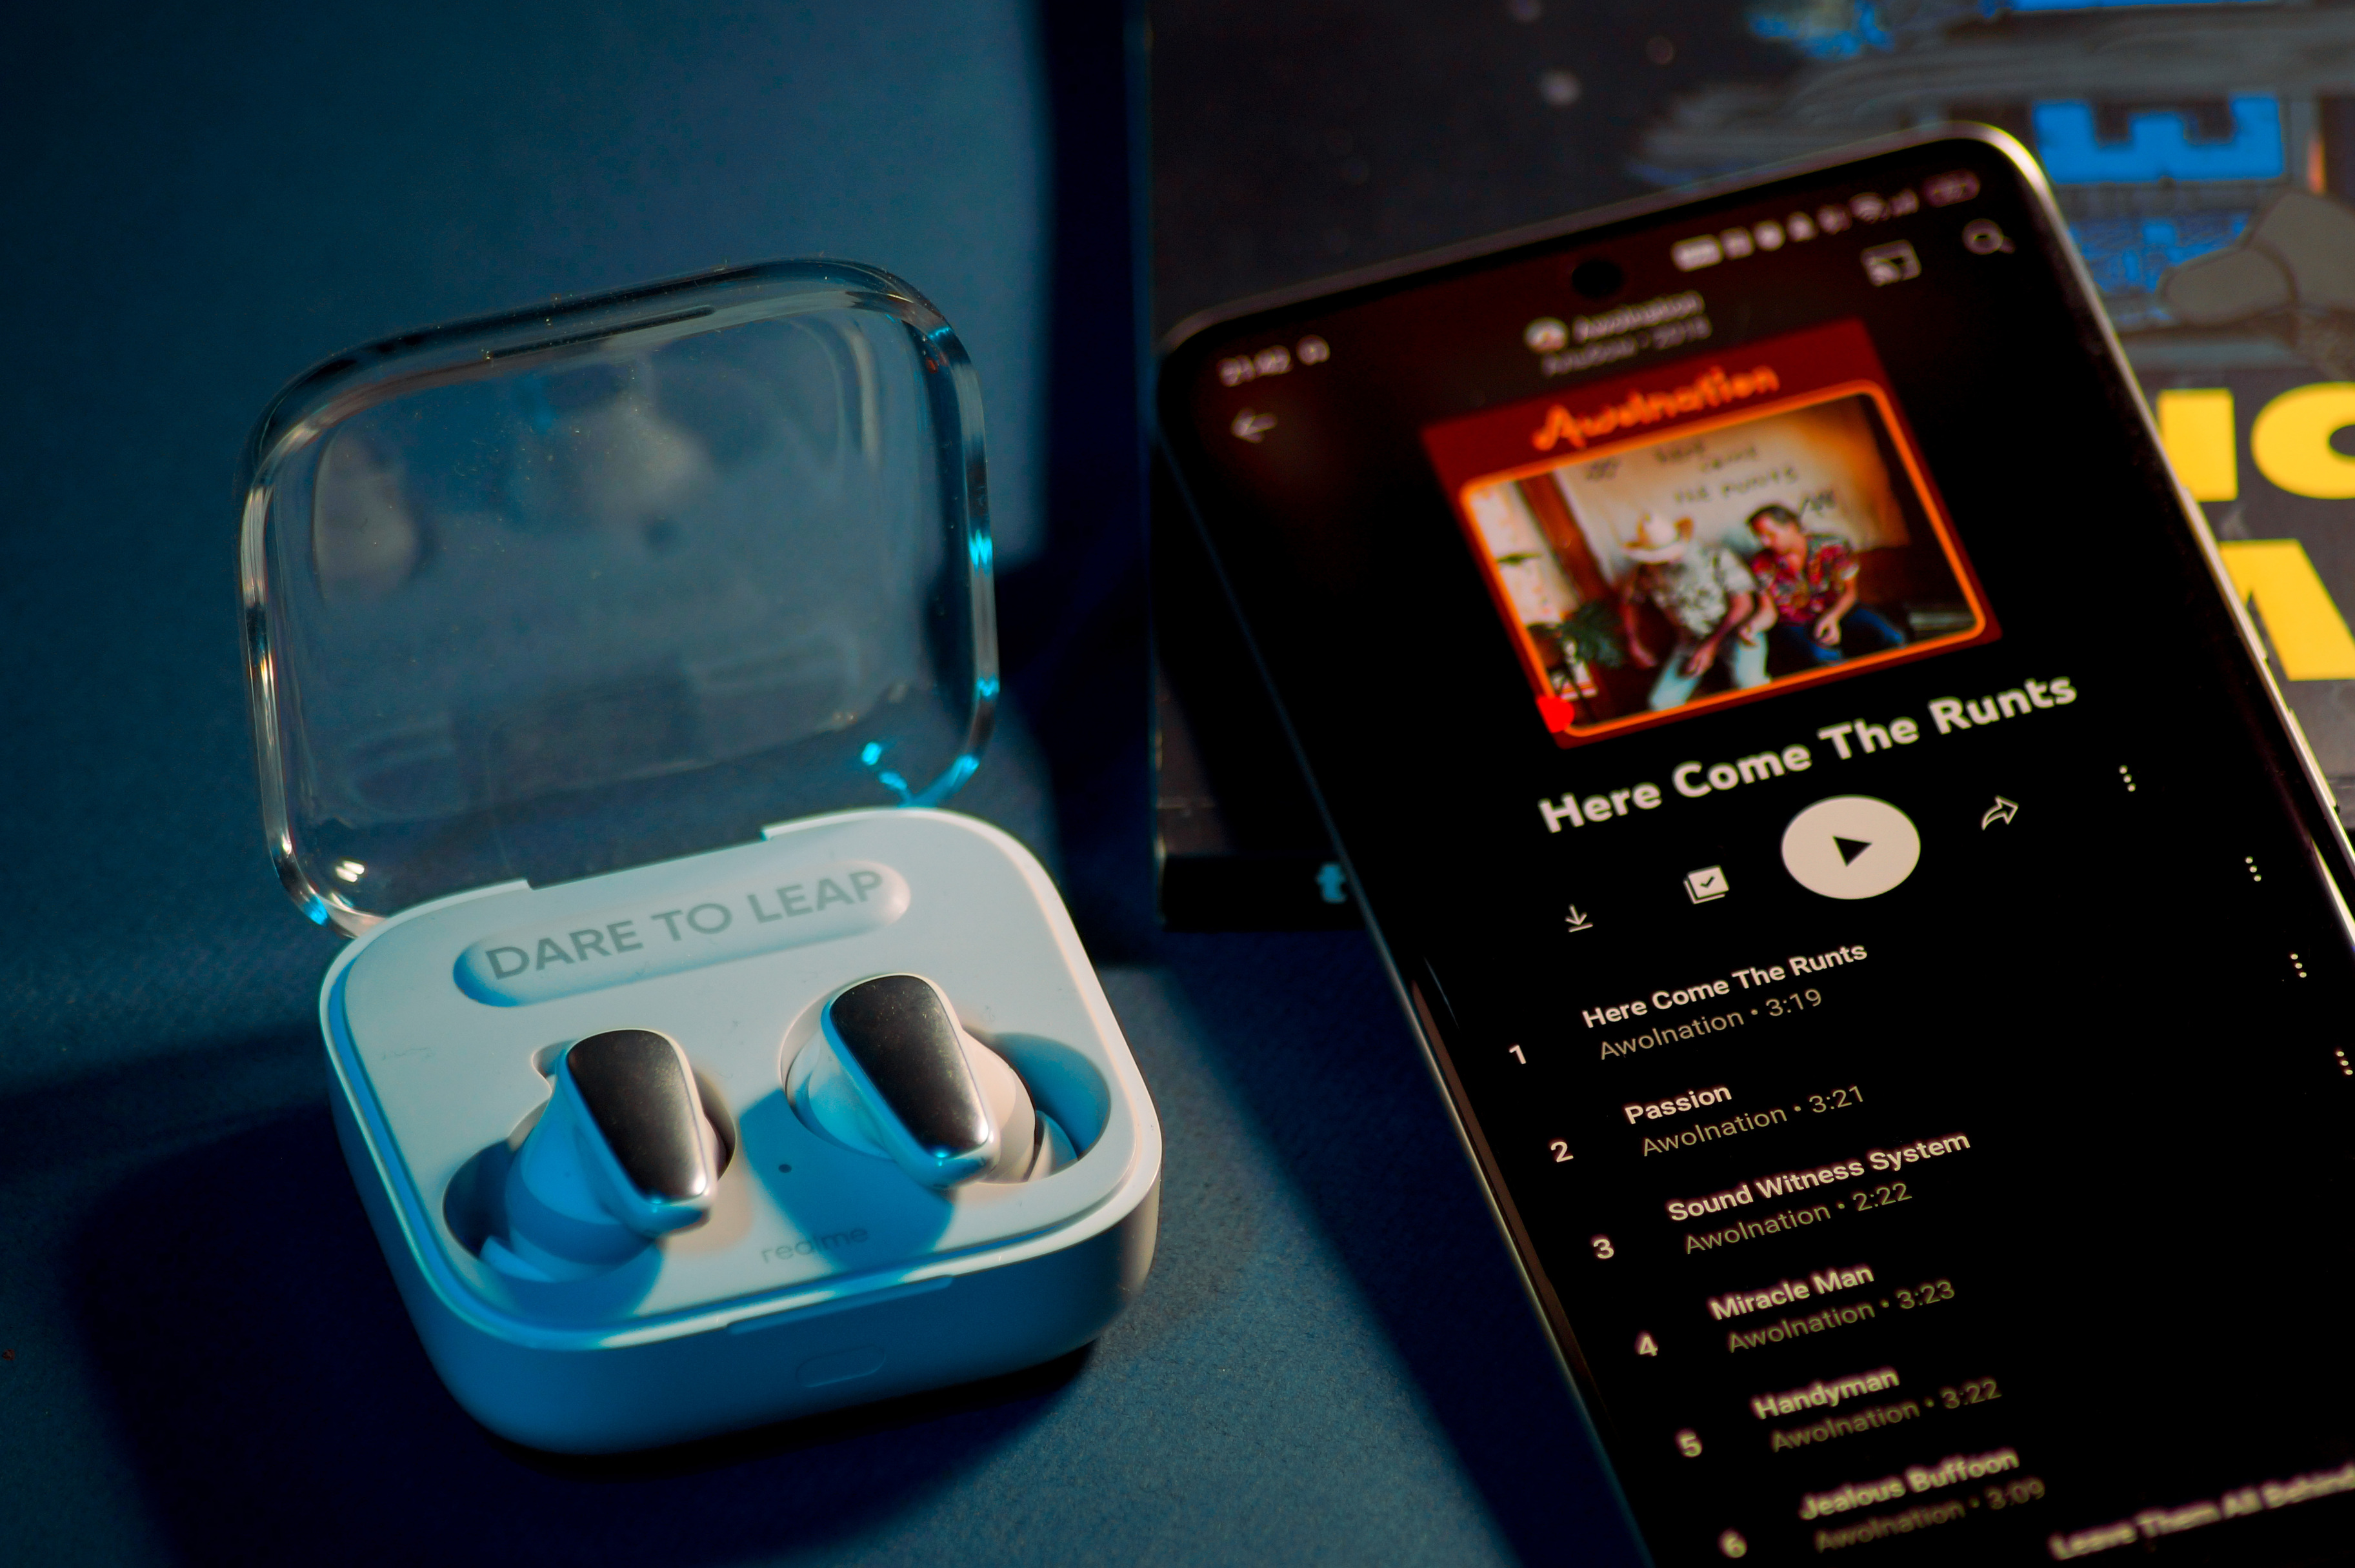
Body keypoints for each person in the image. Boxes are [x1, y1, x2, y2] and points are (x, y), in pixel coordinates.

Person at [1618, 515, 1768, 710]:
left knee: (1750, 684)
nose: (1668, 560)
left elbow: (1743, 605)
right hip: (1691, 640)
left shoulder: (1716, 556)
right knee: (1661, 703)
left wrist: (1711, 645)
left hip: (1738, 632)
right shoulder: (1646, 572)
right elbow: (1629, 602)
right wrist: (1633, 642)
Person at [1741, 503, 1907, 667]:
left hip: (1841, 610)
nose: (1765, 543)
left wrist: (1832, 617)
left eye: (1770, 535)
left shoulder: (1834, 546)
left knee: (1893, 638)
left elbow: (1849, 592)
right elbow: (1768, 611)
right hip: (1797, 623)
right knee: (1824, 658)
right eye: (1760, 537)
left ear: (1792, 526)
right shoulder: (1761, 564)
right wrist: (1753, 626)